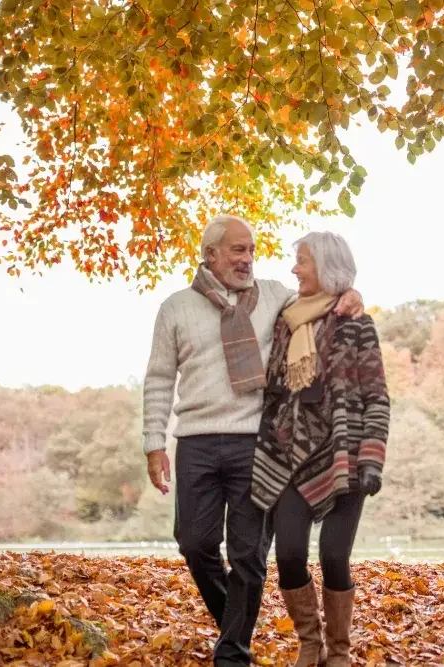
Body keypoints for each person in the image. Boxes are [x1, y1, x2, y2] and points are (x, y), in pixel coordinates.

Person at [141, 215, 365, 667]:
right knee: (194, 543)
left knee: (248, 553)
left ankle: (233, 653)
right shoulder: (176, 308)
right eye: (238, 250)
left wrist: (352, 295)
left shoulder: (274, 297)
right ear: (211, 255)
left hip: (256, 445)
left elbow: (320, 298)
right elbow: (160, 379)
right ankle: (236, 622)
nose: (248, 260)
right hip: (196, 442)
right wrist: (153, 442)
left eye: (252, 251)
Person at [250, 231, 390, 667]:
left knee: (334, 555)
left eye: (303, 261)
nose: (294, 269)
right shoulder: (284, 318)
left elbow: (376, 396)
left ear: (326, 267)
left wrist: (372, 457)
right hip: (290, 457)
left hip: (344, 459)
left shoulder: (356, 324)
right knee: (288, 553)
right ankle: (310, 643)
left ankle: (340, 651)